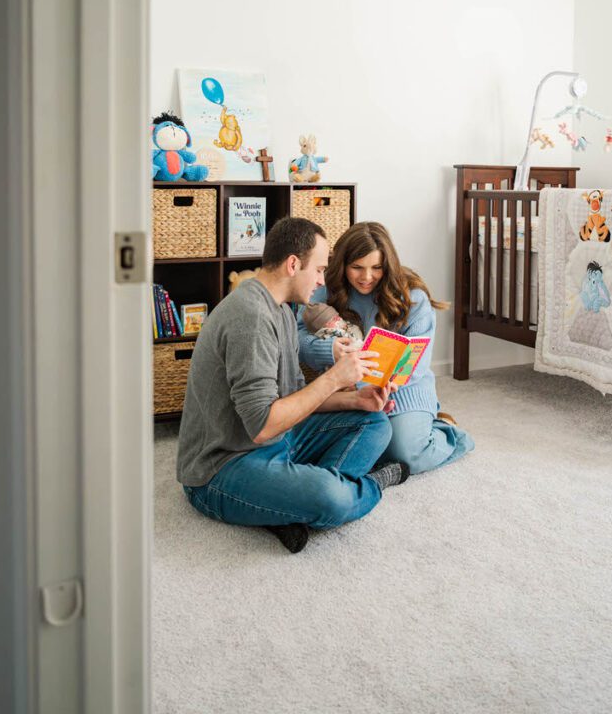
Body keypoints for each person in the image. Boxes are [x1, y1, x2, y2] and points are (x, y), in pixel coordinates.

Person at [176, 216, 410, 554]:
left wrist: (357, 400)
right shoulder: (250, 318)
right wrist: (333, 378)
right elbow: (262, 425)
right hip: (224, 466)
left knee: (375, 423)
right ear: (292, 264)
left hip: (277, 440)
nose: (320, 280)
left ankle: (289, 508)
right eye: (318, 270)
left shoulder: (282, 310)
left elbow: (296, 399)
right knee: (331, 498)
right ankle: (364, 486)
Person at [297, 221, 474, 475]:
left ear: (387, 264)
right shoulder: (325, 287)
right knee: (334, 446)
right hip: (345, 388)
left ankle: (450, 434)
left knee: (405, 454)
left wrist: (385, 385)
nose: (366, 277)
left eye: (376, 268)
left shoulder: (413, 297)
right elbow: (296, 338)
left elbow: (416, 365)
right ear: (343, 264)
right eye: (357, 267)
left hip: (402, 391)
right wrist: (330, 350)